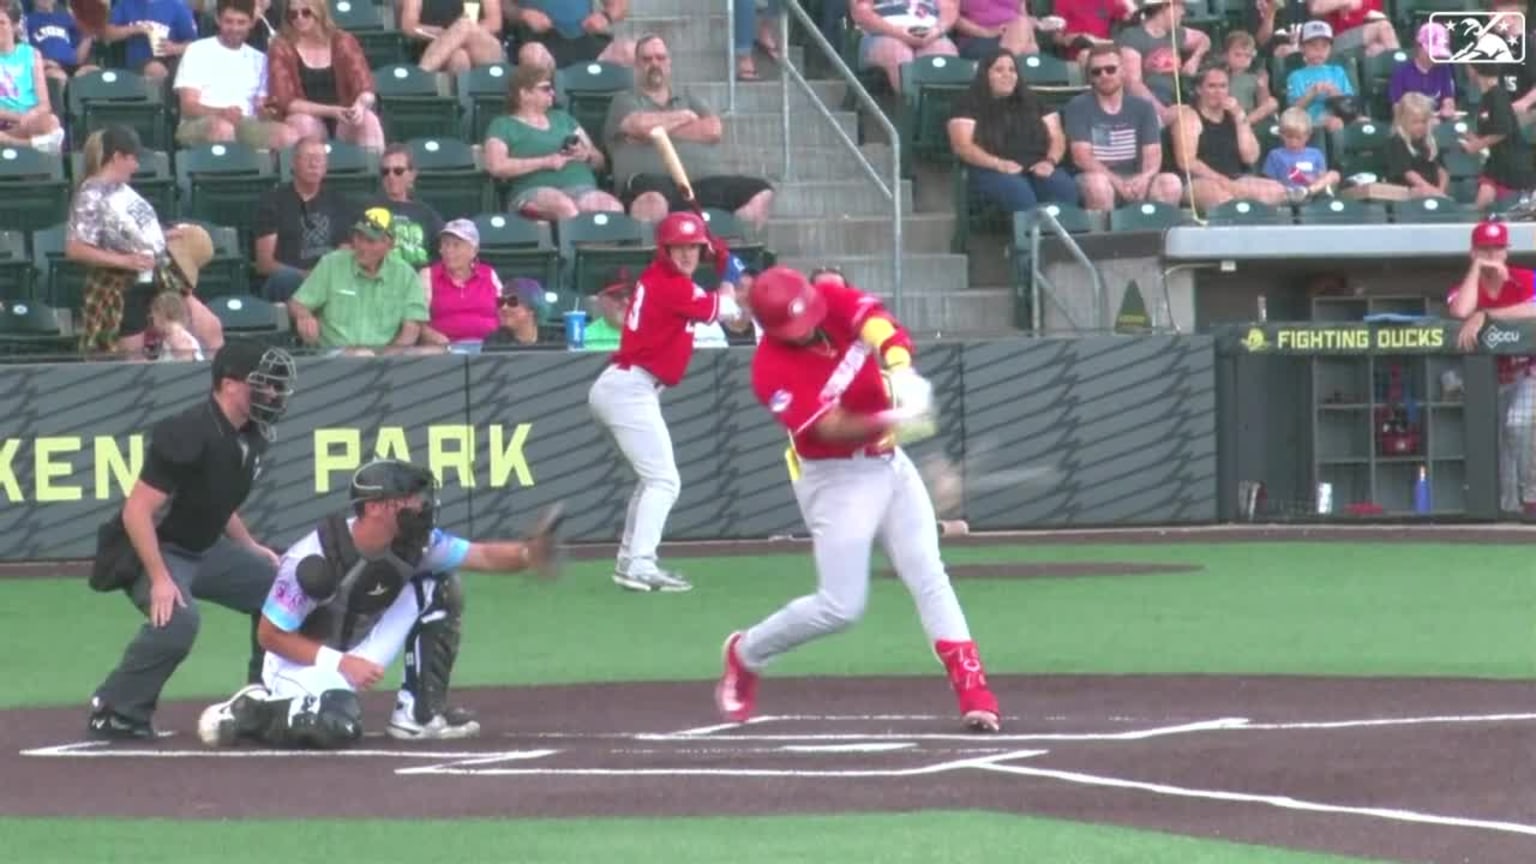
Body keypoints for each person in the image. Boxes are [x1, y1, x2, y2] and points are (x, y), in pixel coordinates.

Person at [714, 266, 1001, 733]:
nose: (808, 329)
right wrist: (893, 418)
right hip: (836, 479)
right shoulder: (771, 369)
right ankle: (745, 652)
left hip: (890, 464)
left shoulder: (831, 297)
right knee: (841, 606)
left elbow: (880, 326)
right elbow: (829, 428)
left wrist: (902, 371)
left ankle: (975, 691)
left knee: (928, 573)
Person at [195, 459, 565, 748]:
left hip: (359, 648)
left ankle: (418, 716)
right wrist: (342, 664)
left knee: (441, 585)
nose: (421, 505)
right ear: (375, 507)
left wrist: (528, 554)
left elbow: (480, 555)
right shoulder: (313, 558)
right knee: (337, 726)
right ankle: (254, 710)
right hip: (299, 665)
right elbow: (269, 636)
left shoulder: (415, 542)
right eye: (409, 498)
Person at [86, 339, 297, 740]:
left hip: (204, 548)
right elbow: (137, 511)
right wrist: (160, 578)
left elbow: (219, 500)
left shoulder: (251, 435)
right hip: (154, 549)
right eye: (264, 383)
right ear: (230, 384)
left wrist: (248, 545)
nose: (273, 392)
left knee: (281, 591)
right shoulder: (188, 430)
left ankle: (264, 698)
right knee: (177, 621)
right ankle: (115, 708)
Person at [586, 211, 735, 593]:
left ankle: (629, 562)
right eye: (678, 248)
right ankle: (640, 564)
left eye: (693, 247)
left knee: (653, 480)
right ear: (664, 250)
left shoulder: (667, 281)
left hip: (629, 386)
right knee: (664, 481)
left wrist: (714, 261)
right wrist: (728, 270)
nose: (686, 255)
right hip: (629, 386)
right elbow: (729, 312)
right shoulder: (671, 285)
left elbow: (710, 304)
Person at [69, 125, 224, 356]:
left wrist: (162, 235)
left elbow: (129, 232)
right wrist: (125, 261)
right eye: (132, 159)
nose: (136, 165)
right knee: (133, 358)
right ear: (117, 157)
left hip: (158, 276)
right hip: (123, 286)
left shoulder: (123, 190)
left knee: (210, 329)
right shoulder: (91, 194)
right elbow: (76, 249)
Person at [603, 34, 774, 229]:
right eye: (647, 59)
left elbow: (713, 129)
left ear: (669, 62)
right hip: (650, 183)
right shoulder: (624, 100)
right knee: (653, 200)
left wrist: (655, 134)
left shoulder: (688, 96)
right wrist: (685, 116)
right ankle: (654, 257)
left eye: (660, 58)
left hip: (702, 183)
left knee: (761, 193)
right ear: (636, 65)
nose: (654, 63)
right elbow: (639, 125)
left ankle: (734, 250)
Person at [1449, 220, 1536, 515]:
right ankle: (1508, 510)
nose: (1492, 255)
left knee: (1519, 424)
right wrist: (1476, 270)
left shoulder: (1526, 278)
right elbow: (1461, 310)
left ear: (1506, 251)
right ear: (1473, 252)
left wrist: (1486, 314)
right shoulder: (1465, 287)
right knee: (1498, 446)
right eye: (1485, 249)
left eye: (1497, 248)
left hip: (1528, 374)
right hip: (1488, 382)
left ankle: (1532, 497)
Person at [483, 63, 622, 221]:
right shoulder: (503, 124)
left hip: (582, 188)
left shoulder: (563, 119)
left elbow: (600, 161)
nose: (553, 93)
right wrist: (545, 162)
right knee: (564, 207)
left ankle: (596, 245)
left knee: (612, 208)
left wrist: (586, 155)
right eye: (545, 88)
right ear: (524, 93)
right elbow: (496, 166)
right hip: (533, 190)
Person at [947, 49, 1077, 214]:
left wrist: (1050, 161)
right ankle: (1030, 239)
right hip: (990, 169)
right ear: (985, 74)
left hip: (1037, 164)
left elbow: (1057, 137)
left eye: (1012, 69)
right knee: (1019, 193)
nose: (1007, 75)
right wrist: (998, 164)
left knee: (1063, 187)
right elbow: (962, 146)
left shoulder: (1035, 101)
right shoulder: (966, 103)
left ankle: (1059, 239)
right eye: (998, 70)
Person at [287, 207, 429, 352]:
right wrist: (304, 316)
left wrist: (388, 358)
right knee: (362, 355)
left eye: (370, 241)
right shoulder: (332, 264)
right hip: (333, 358)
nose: (362, 246)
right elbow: (297, 303)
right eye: (359, 238)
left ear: (389, 245)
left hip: (385, 360)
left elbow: (412, 328)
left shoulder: (405, 274)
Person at [1062, 44, 1182, 211]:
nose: (1104, 75)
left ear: (1123, 71)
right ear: (1090, 77)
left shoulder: (1143, 107)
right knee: (1098, 185)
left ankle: (1157, 236)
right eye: (1097, 71)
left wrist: (1143, 179)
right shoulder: (1078, 106)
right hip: (1097, 177)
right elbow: (1082, 157)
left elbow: (1153, 155)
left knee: (1170, 183)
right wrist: (1117, 182)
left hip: (1135, 177)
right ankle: (1104, 237)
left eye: (1110, 69)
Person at [173, 0, 295, 149]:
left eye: (241, 22)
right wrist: (221, 112)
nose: (235, 28)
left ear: (251, 23)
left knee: (287, 135)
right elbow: (188, 106)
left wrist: (266, 112)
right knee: (223, 128)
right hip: (199, 122)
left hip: (246, 122)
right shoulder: (197, 50)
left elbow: (261, 106)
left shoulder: (259, 58)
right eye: (229, 21)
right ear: (218, 20)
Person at [264, 0, 383, 149]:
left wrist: (360, 105)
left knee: (368, 119)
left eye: (306, 12)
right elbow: (286, 101)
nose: (299, 18)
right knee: (303, 123)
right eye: (293, 14)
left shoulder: (343, 41)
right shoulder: (282, 47)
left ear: (319, 12)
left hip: (344, 117)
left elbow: (365, 87)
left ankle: (375, 170)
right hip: (307, 117)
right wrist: (332, 111)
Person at [1166, 66, 1287, 210]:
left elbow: (1250, 157)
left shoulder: (1233, 115)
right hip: (1197, 180)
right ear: (1199, 89)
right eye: (1212, 86)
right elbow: (1187, 162)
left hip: (1235, 177)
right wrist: (1223, 181)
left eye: (1223, 86)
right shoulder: (1189, 116)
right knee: (1224, 201)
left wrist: (1240, 117)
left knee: (1277, 191)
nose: (1218, 92)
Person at [254, 136, 355, 302]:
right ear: (294, 163)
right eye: (308, 158)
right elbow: (264, 264)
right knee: (285, 279)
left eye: (319, 159)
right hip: (291, 282)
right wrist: (307, 276)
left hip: (329, 281)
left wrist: (326, 278)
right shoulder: (273, 201)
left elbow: (345, 251)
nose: (314, 164)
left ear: (326, 166)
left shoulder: (338, 201)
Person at [419, 218, 504, 345]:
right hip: (445, 351)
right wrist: (433, 337)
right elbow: (416, 321)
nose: (449, 250)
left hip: (488, 348)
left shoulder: (489, 274)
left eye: (456, 245)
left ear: (474, 251)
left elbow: (505, 310)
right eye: (445, 244)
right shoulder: (428, 275)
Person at [361, 143, 446, 270]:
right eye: (385, 171)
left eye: (398, 171)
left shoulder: (426, 213)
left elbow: (445, 249)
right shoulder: (369, 211)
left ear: (412, 175)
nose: (391, 176)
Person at [0, 1, 63, 151]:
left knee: (51, 122)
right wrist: (19, 117)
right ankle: (26, 145)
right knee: (51, 139)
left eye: (1, 23)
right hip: (5, 121)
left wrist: (30, 116)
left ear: (15, 27)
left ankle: (13, 142)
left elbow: (44, 104)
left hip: (27, 121)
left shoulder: (31, 54)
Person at [400, 0, 504, 74]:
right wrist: (448, 35)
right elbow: (409, 26)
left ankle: (421, 74)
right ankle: (459, 103)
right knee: (459, 57)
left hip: (483, 48)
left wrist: (460, 32)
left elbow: (494, 23)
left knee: (465, 25)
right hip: (437, 46)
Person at [102, 0, 196, 81]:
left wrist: (174, 48)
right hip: (135, 65)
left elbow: (195, 45)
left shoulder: (177, 5)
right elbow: (106, 34)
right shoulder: (126, 3)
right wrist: (135, 29)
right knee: (154, 69)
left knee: (156, 69)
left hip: (170, 63)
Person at [1261, 107, 1339, 201]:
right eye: (1289, 137)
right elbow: (1269, 182)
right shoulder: (1275, 155)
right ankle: (1297, 194)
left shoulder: (1315, 154)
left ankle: (1307, 191)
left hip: (1312, 192)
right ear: (1281, 134)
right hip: (1287, 193)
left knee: (1334, 174)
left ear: (1308, 136)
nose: (1293, 142)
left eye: (1299, 138)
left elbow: (1322, 176)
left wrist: (1312, 180)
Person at [1385, 92, 1448, 198]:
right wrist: (1431, 191)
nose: (1420, 126)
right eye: (1415, 122)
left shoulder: (1430, 142)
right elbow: (1408, 173)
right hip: (1406, 191)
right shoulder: (1397, 141)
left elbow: (1442, 171)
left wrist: (1440, 190)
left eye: (1423, 122)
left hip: (1434, 191)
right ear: (1403, 120)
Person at [26, 0, 96, 82]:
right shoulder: (26, 20)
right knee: (59, 77)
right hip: (46, 67)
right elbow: (22, 51)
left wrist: (88, 36)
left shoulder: (66, 18)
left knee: (95, 73)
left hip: (72, 67)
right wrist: (42, 62)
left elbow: (78, 58)